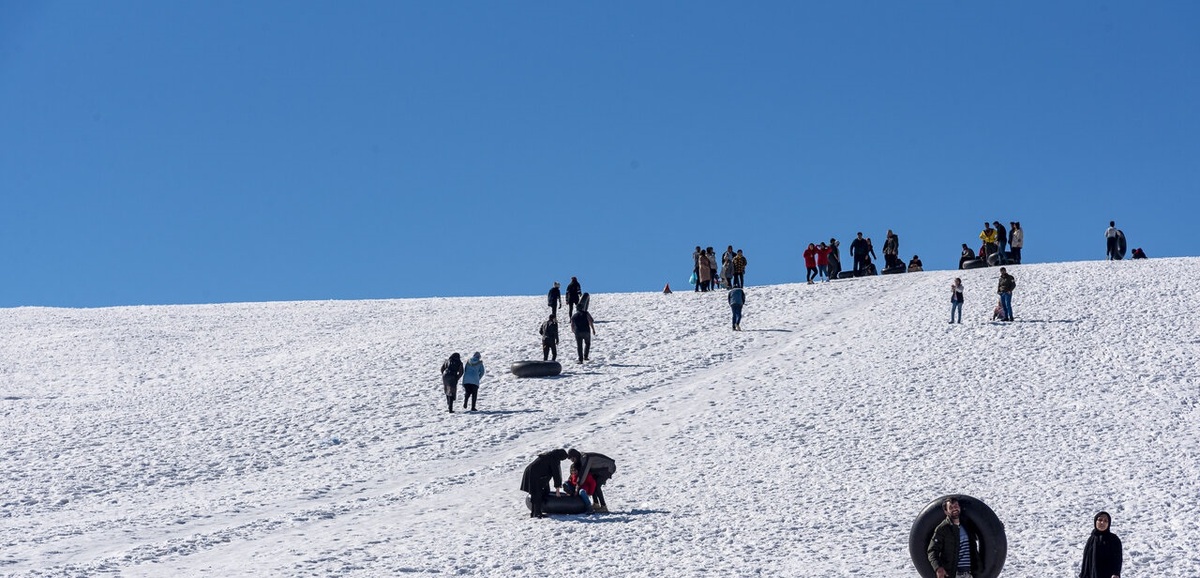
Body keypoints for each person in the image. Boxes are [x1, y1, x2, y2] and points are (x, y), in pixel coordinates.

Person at [926, 497, 981, 578]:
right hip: (954, 574)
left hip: (970, 573)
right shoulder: (943, 528)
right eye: (951, 507)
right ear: (946, 511)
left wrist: (997, 528)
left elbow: (980, 536)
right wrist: (938, 568)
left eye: (956, 506)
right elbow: (932, 551)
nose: (954, 509)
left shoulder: (967, 525)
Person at [519, 449, 568, 518]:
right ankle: (537, 513)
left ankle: (536, 511)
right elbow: (556, 474)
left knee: (543, 490)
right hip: (534, 475)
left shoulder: (550, 455)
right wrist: (557, 490)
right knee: (537, 493)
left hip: (533, 473)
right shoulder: (554, 459)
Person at [1079, 511, 1122, 578]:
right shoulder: (1091, 539)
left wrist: (1116, 573)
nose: (1102, 523)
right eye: (1100, 520)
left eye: (1106, 521)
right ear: (1095, 521)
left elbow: (1117, 559)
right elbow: (1086, 561)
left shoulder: (1113, 539)